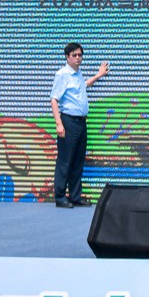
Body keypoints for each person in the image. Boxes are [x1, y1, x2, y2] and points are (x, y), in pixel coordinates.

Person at [50, 42, 109, 208]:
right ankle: (60, 197)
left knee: (77, 161)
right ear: (67, 57)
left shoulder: (78, 73)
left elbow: (82, 87)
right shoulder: (62, 74)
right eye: (74, 55)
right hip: (68, 121)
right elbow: (54, 99)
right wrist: (59, 124)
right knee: (65, 161)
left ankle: (75, 196)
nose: (78, 58)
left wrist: (98, 75)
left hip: (81, 123)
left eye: (80, 55)